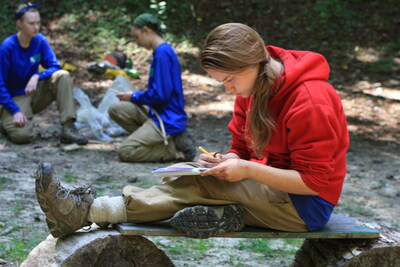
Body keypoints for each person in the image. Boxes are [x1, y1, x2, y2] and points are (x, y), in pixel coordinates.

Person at [33, 23, 349, 239]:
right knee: (191, 178)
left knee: (200, 188)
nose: (228, 91)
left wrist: (245, 169)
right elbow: (241, 145)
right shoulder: (252, 88)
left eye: (229, 80)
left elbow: (314, 181)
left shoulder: (310, 100)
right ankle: (226, 214)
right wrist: (228, 160)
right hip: (272, 187)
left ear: (252, 64)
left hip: (306, 207)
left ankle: (86, 211)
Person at [108, 13, 195, 162]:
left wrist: (134, 96)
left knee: (126, 151)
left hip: (167, 119)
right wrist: (133, 96)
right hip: (157, 113)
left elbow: (161, 95)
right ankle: (156, 141)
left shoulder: (162, 54)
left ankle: (172, 149)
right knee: (116, 109)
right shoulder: (161, 52)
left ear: (146, 30)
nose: (137, 42)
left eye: (136, 36)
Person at [0, 3, 87, 145]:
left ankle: (68, 128)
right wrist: (14, 110)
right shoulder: (7, 47)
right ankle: (6, 122)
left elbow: (55, 66)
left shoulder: (39, 40)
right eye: (31, 23)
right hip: (14, 98)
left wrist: (37, 76)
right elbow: (0, 85)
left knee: (62, 75)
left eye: (38, 23)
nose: (36, 27)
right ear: (19, 24)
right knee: (22, 136)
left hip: (33, 91)